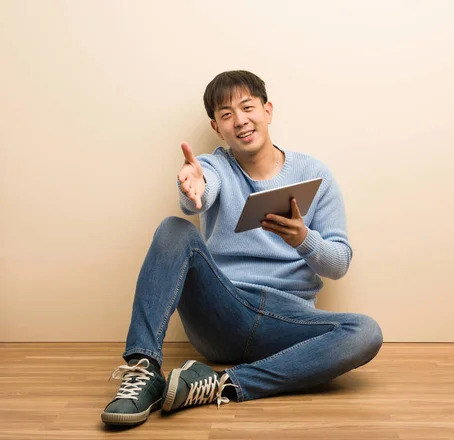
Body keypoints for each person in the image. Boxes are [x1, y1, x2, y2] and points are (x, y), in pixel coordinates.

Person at [101, 70, 383, 426]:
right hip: (224, 311)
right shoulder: (214, 165)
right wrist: (193, 186)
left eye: (247, 107)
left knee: (366, 332)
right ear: (216, 127)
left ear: (268, 110)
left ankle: (221, 384)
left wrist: (302, 238)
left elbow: (338, 264)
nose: (240, 121)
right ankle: (142, 371)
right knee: (174, 229)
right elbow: (200, 191)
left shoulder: (316, 175)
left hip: (287, 323)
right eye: (226, 114)